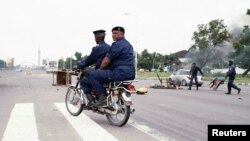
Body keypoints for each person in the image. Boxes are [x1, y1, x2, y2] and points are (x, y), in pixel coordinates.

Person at [88, 26, 135, 107]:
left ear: (123, 34)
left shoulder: (117, 44)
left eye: (116, 33)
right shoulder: (129, 45)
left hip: (120, 73)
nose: (113, 35)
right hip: (131, 74)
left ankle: (102, 99)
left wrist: (100, 69)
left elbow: (106, 61)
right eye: (112, 33)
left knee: (93, 75)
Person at [75, 29, 110, 106]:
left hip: (100, 71)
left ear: (96, 38)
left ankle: (91, 100)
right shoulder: (109, 47)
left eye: (95, 37)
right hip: (109, 72)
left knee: (84, 81)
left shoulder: (98, 48)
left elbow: (89, 60)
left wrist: (79, 66)